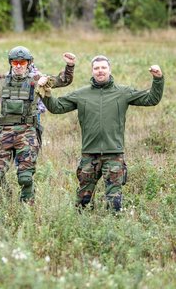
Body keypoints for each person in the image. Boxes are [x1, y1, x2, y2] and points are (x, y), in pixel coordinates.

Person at [39, 55, 163, 211]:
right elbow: (56, 107)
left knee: (114, 203)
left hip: (114, 155)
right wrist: (45, 91)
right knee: (82, 202)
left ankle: (115, 228)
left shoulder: (123, 92)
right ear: (92, 71)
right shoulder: (81, 94)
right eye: (96, 68)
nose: (100, 71)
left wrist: (158, 79)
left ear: (109, 70)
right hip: (89, 156)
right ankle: (80, 229)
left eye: (103, 67)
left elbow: (152, 99)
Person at [0, 47, 76, 202]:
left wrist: (70, 66)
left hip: (27, 132)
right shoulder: (1, 80)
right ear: (10, 63)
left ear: (28, 63)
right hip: (4, 132)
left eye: (22, 62)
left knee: (25, 177)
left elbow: (64, 80)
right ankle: (6, 199)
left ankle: (27, 204)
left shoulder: (37, 79)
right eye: (15, 62)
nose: (18, 65)